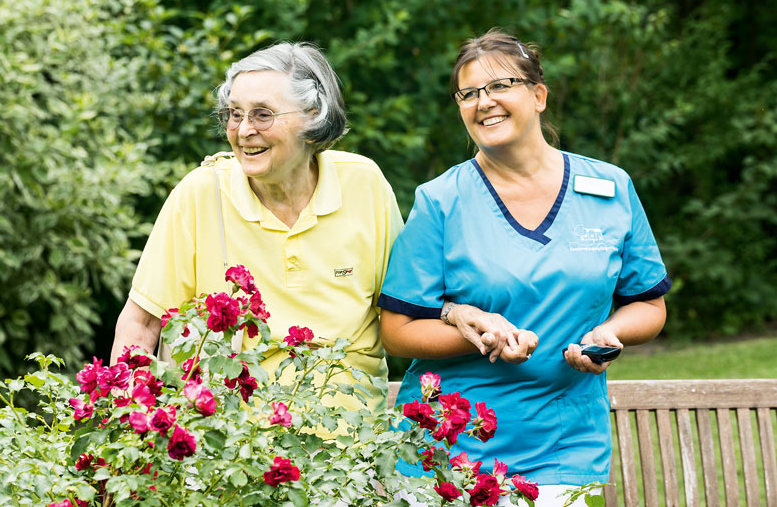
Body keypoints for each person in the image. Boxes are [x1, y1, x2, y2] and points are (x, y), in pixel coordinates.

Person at [378, 29, 670, 505]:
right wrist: (482, 336)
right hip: (445, 449)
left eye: (499, 86)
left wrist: (609, 333)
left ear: (538, 95)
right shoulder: (440, 201)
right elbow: (398, 330)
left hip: (564, 444)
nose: (483, 102)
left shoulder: (610, 187)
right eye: (468, 93)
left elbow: (648, 305)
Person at [110, 42, 402, 411]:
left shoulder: (364, 184)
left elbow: (406, 311)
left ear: (313, 115)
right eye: (234, 114)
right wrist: (124, 420)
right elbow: (141, 325)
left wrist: (455, 312)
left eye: (262, 114)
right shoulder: (202, 193)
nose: (243, 130)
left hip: (349, 454)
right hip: (228, 449)